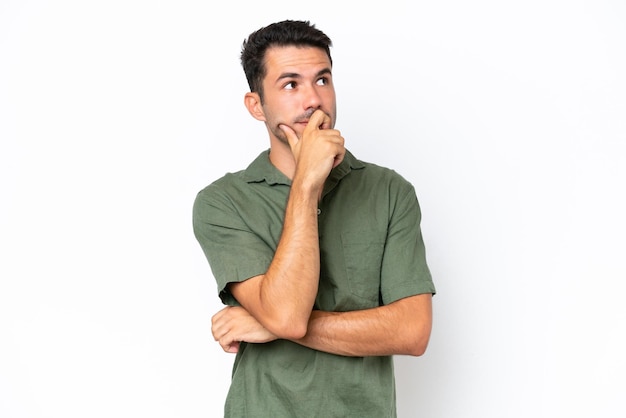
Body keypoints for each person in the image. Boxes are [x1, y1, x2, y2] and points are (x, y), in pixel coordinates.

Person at [192, 19, 436, 417]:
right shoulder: (223, 203)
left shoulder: (390, 191)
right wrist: (306, 183)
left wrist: (268, 326)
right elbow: (287, 313)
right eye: (290, 85)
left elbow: (413, 332)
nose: (313, 100)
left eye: (322, 80)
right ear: (257, 105)